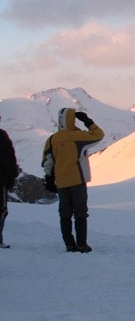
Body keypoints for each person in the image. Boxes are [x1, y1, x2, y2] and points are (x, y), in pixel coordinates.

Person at [42, 108, 104, 253]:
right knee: (80, 213)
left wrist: (49, 178)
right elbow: (99, 135)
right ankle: (82, 244)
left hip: (62, 182)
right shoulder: (78, 136)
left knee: (65, 214)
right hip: (77, 180)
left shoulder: (52, 140)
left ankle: (69, 244)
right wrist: (88, 122)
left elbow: (47, 161)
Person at [0, 115, 20, 249]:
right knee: (1, 209)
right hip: (0, 180)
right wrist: (12, 176)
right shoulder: (1, 136)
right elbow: (8, 158)